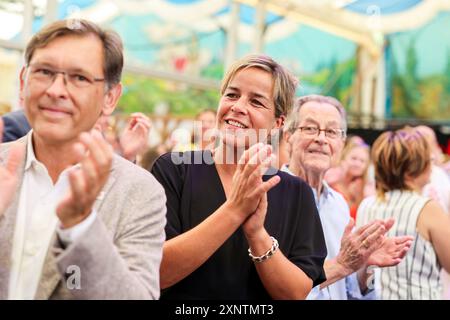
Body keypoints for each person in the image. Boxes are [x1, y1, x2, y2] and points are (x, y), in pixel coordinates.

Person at [0, 19, 166, 300]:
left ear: (110, 97)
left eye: (79, 77)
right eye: (44, 71)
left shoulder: (139, 192)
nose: (56, 90)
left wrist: (79, 227)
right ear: (22, 81)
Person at [151, 54, 327, 299]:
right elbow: (155, 271)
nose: (238, 106)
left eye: (256, 102)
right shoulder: (174, 170)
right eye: (232, 95)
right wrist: (234, 210)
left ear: (278, 122)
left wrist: (257, 235)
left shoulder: (296, 193)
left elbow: (295, 293)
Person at [282, 94, 413, 300]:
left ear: (342, 143)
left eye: (332, 131)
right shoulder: (270, 198)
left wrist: (365, 266)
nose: (321, 139)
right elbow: (279, 287)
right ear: (288, 135)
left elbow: (348, 290)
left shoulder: (338, 204)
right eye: (310, 128)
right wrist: (342, 265)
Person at [356, 127, 450, 299]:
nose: (433, 160)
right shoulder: (427, 208)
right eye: (425, 158)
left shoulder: (366, 205)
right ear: (409, 171)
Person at [326, 136, 374, 220]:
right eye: (353, 158)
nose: (357, 164)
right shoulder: (331, 177)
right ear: (344, 158)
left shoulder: (366, 187)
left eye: (362, 161)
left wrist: (358, 197)